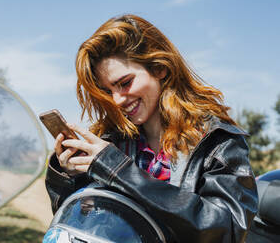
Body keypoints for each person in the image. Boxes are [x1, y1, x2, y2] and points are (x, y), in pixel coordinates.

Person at [45, 14, 258, 242]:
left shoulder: (217, 141)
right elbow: (81, 223)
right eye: (108, 91)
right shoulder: (113, 140)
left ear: (159, 68)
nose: (117, 100)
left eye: (125, 83)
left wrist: (118, 169)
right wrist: (71, 177)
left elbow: (226, 229)